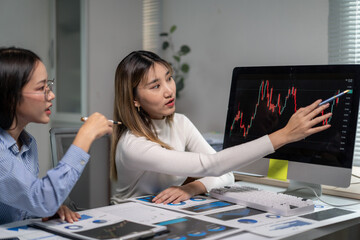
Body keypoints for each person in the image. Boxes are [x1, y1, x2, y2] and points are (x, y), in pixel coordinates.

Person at [110, 50, 332, 205]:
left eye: (169, 78)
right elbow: (213, 165)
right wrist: (284, 135)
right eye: (155, 86)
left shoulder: (180, 122)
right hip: (130, 221)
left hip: (164, 215)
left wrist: (190, 188)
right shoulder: (133, 144)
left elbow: (227, 175)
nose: (169, 90)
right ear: (134, 100)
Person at [0, 47, 113, 225]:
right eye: (41, 88)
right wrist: (85, 135)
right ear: (10, 97)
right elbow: (42, 200)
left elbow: (26, 203)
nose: (51, 95)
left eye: (49, 86)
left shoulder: (28, 144)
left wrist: (45, 210)